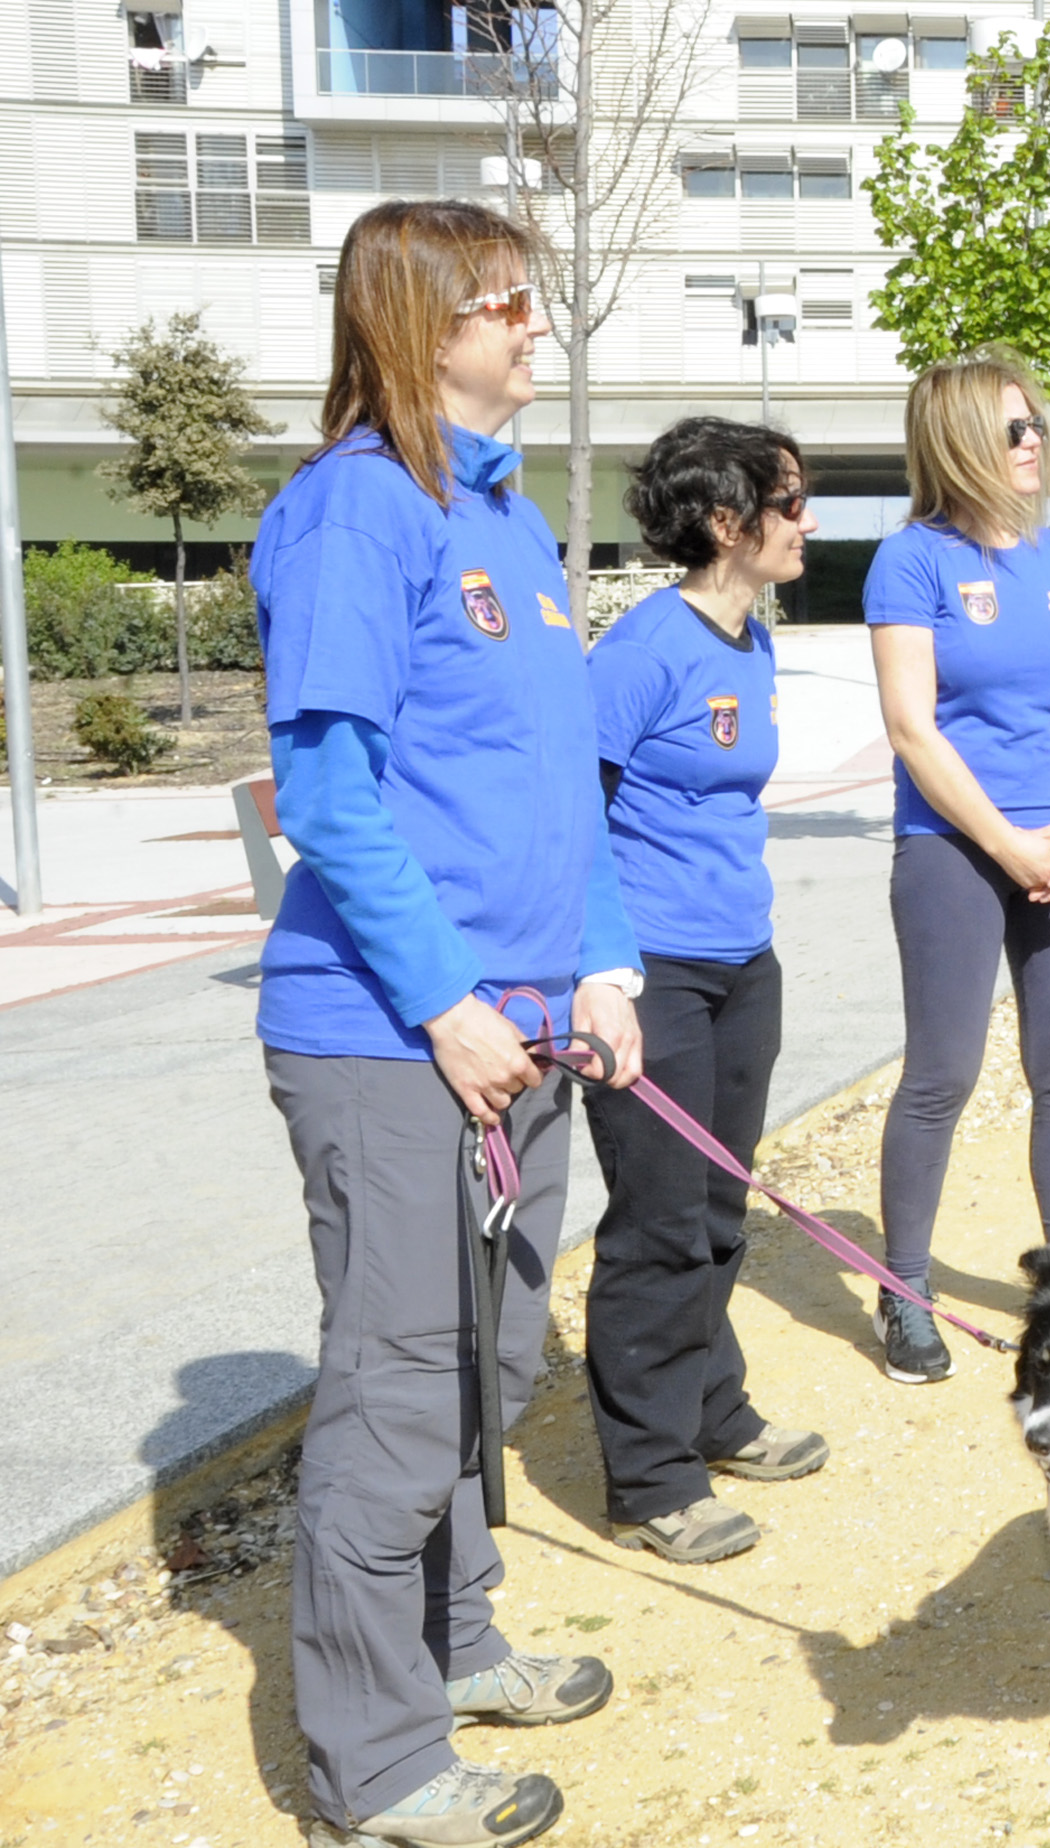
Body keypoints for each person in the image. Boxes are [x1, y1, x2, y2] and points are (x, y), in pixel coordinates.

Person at [254, 200, 642, 1848]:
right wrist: (442, 998)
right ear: (421, 326)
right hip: (389, 1036)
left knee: (486, 1369)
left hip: (527, 1034)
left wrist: (603, 965)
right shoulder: (356, 512)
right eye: (506, 302)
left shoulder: (514, 524)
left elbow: (565, 789)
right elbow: (329, 797)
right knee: (401, 1385)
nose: (533, 325)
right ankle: (377, 1762)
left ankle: (458, 1640)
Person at [581, 418, 830, 1565]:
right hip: (653, 976)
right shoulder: (641, 652)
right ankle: (650, 1477)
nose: (809, 522)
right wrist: (599, 973)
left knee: (721, 1211)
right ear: (727, 522)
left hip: (743, 965)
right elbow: (571, 814)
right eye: (790, 502)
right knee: (660, 1225)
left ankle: (713, 1409)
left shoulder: (754, 641)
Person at [864, 354, 1050, 1384]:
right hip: (952, 851)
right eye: (1012, 428)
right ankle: (904, 1289)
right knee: (943, 1074)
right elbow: (912, 730)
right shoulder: (910, 560)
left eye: (1036, 423)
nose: (1034, 440)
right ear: (959, 439)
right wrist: (1010, 844)